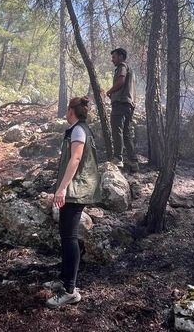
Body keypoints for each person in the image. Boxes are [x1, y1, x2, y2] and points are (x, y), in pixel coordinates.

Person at [45, 96, 102, 309]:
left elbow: (76, 159)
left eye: (67, 109)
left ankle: (70, 290)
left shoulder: (79, 130)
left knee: (69, 237)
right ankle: (63, 278)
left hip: (75, 190)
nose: (65, 112)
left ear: (71, 111)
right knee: (65, 234)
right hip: (74, 188)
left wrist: (62, 189)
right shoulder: (80, 128)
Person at [105, 47, 138, 173]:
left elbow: (121, 81)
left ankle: (118, 158)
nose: (112, 60)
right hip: (129, 105)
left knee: (116, 129)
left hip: (120, 103)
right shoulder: (132, 70)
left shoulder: (122, 67)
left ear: (121, 57)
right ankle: (133, 162)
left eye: (114, 57)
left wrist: (110, 91)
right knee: (127, 133)